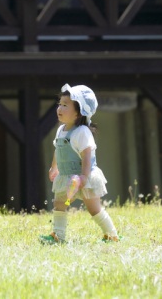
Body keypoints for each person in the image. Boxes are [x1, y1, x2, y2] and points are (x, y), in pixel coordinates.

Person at [39, 84, 119, 244]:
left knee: (94, 208)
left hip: (84, 177)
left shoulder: (82, 132)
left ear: (79, 112)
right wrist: (54, 167)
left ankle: (112, 235)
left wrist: (84, 176)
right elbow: (58, 149)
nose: (59, 108)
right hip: (66, 177)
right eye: (59, 104)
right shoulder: (61, 130)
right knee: (59, 204)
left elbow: (87, 155)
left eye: (65, 105)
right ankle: (58, 236)